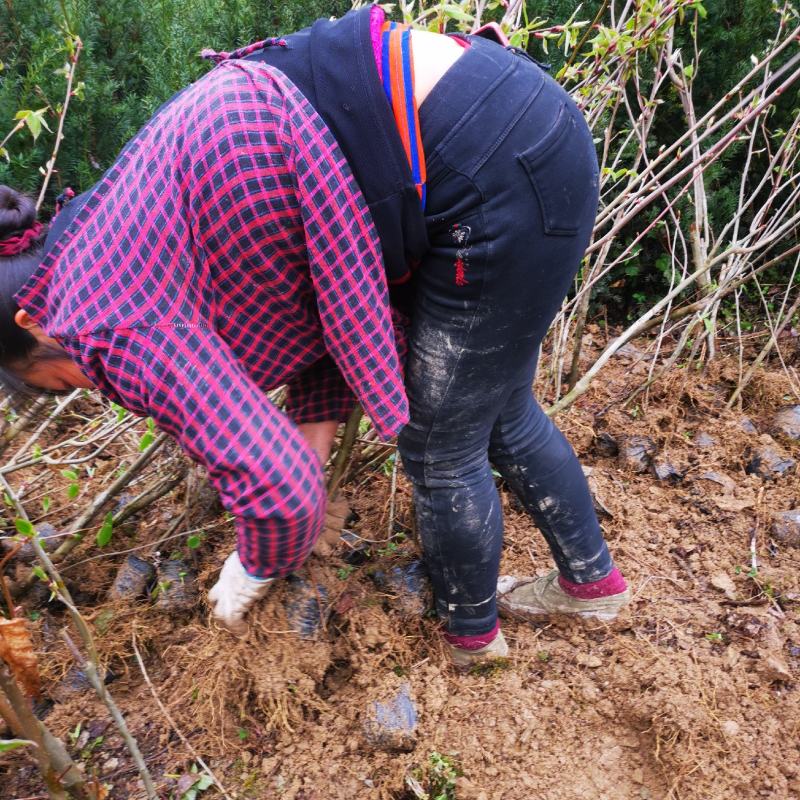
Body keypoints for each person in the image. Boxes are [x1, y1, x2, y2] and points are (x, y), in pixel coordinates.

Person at [0, 5, 629, 667]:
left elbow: (280, 490)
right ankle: (591, 586)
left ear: (29, 325)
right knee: (498, 404)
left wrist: (254, 566)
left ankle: (471, 644)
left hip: (482, 165)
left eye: (46, 381)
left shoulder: (101, 317)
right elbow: (319, 289)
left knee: (440, 441)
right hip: (526, 119)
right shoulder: (121, 226)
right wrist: (314, 444)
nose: (75, 388)